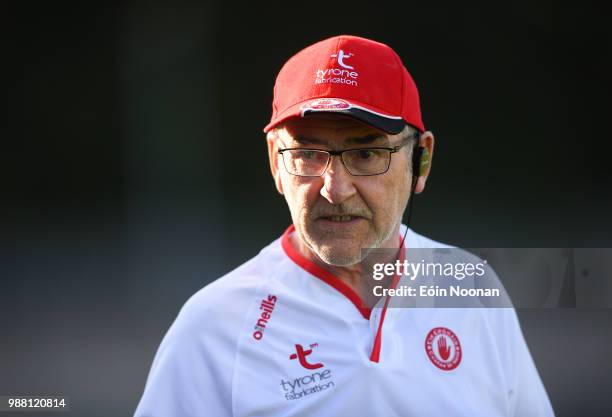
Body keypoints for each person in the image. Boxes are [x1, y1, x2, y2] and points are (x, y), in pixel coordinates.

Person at [134, 35, 555, 416]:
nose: (335, 189)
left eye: (367, 154)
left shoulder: (471, 290)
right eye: (309, 154)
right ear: (275, 163)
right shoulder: (213, 328)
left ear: (421, 160)